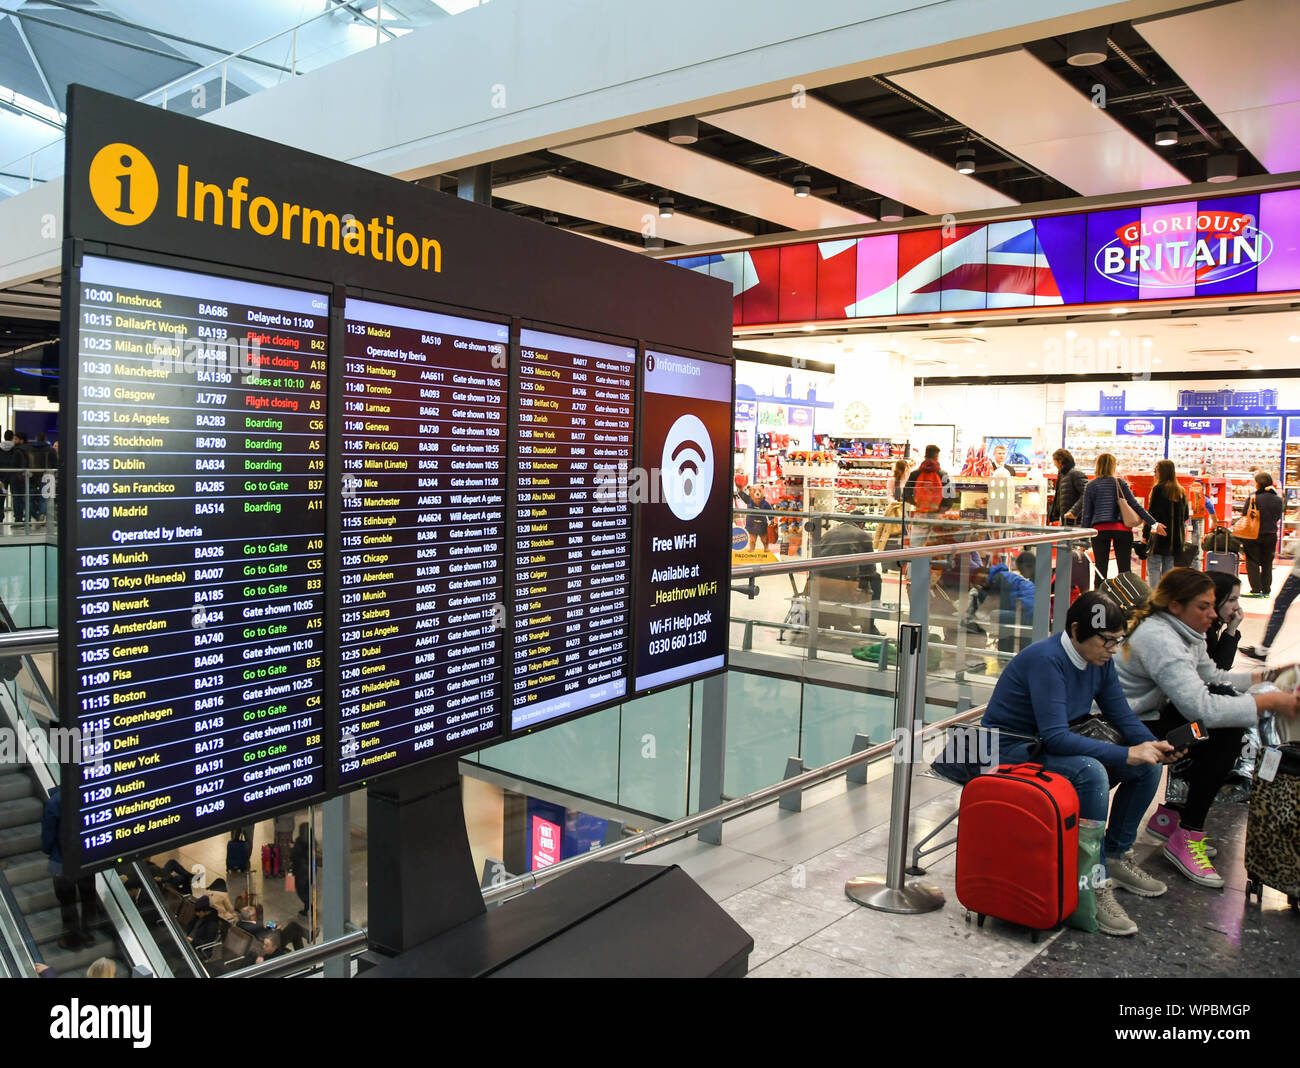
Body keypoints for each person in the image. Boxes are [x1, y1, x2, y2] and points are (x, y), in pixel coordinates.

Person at [979, 592, 1178, 936]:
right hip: (1009, 750)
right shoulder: (1047, 660)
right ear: (1075, 631)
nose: (1113, 649)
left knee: (1148, 767)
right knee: (1091, 773)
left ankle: (1115, 855)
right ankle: (1091, 882)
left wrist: (1151, 745)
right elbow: (1056, 737)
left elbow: (1121, 715)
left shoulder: (1098, 661)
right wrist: (1126, 753)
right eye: (1107, 641)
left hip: (1043, 744)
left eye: (1119, 641)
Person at [1116, 568, 1299, 888]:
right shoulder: (1160, 638)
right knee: (1222, 730)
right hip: (1129, 725)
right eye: (1204, 606)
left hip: (1151, 717)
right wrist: (1268, 703)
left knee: (1223, 722)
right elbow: (1201, 709)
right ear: (1175, 605)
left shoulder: (1187, 631)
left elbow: (1213, 678)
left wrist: (1267, 679)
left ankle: (1175, 820)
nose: (1214, 614)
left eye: (1215, 605)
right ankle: (1186, 832)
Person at [1067, 452, 1165, 582]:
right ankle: (1126, 599)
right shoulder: (1120, 483)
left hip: (1100, 531)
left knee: (1100, 570)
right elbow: (1135, 506)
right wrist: (1154, 524)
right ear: (1113, 466)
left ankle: (1100, 599)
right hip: (1122, 530)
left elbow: (1087, 514)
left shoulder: (1091, 485)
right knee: (1124, 571)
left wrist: (1084, 540)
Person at [40, 786, 98, 949]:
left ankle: (73, 939)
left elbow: (48, 834)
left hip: (62, 861)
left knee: (67, 902)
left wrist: (47, 849)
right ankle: (89, 935)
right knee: (88, 896)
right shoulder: (88, 795)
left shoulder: (55, 802)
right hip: (87, 857)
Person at [970, 550, 1036, 653]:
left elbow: (1002, 603)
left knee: (996, 615)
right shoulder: (1004, 577)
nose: (982, 585)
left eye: (982, 582)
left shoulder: (1000, 578)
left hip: (1028, 612)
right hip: (1030, 612)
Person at [1241, 554, 1300, 661]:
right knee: (1280, 607)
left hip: (1297, 575)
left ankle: (1263, 650)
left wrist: (1290, 549)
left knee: (1280, 607)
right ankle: (1263, 649)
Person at [1238, 471, 1283, 597]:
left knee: (1252, 562)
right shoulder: (1277, 499)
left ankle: (1256, 590)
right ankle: (1266, 591)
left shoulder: (1253, 497)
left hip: (1253, 534)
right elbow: (1278, 516)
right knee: (1267, 563)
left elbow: (1245, 513)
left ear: (1258, 484)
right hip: (1271, 534)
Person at [1144, 460, 1188, 589]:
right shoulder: (1181, 491)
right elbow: (1185, 516)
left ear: (1162, 472)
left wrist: (1145, 535)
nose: (1154, 471)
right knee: (1168, 571)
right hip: (1175, 539)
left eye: (1156, 469)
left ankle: (1154, 598)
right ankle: (1166, 597)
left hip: (1158, 537)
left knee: (1153, 568)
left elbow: (1151, 516)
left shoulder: (1158, 489)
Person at [1050, 448, 1087, 525]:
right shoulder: (1062, 475)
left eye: (1055, 461)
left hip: (1075, 522)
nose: (1054, 464)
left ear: (1060, 461)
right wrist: (1055, 516)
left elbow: (1087, 493)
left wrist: (1074, 511)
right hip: (1066, 521)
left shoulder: (1075, 474)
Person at [291, 822, 315, 917]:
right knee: (307, 889)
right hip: (311, 871)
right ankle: (308, 907)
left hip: (301, 871)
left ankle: (309, 906)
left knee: (301, 890)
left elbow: (293, 856)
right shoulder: (312, 841)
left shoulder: (299, 842)